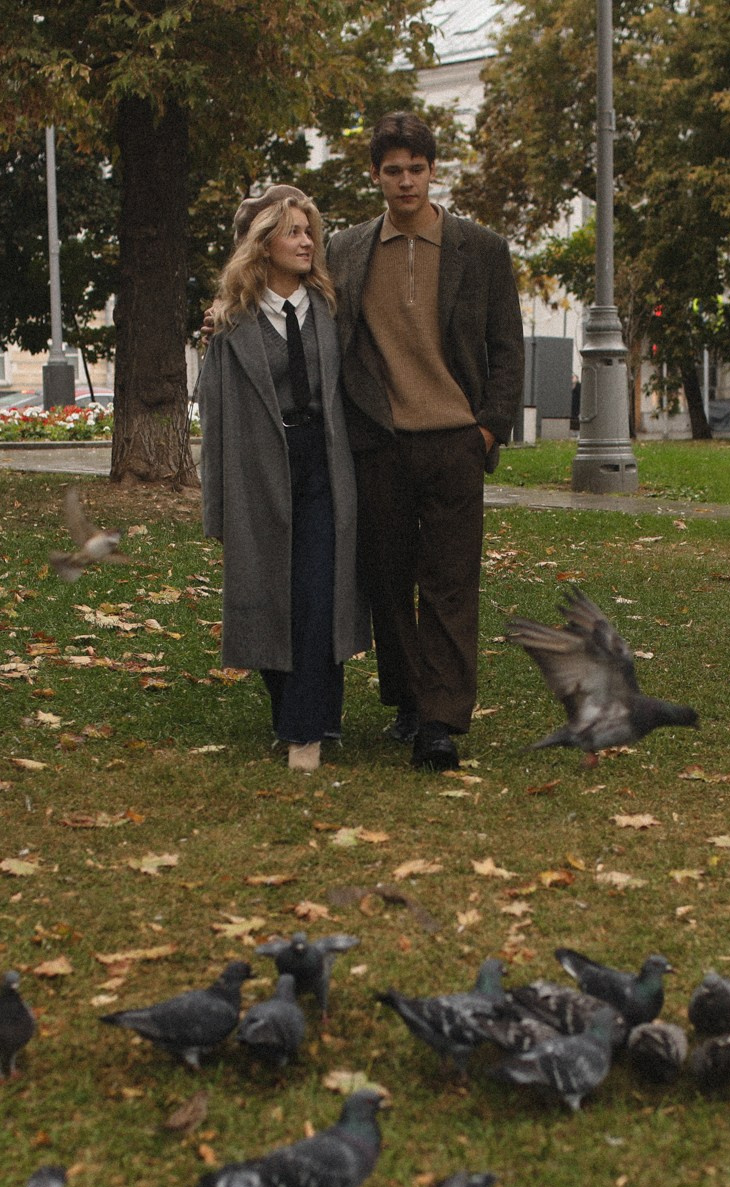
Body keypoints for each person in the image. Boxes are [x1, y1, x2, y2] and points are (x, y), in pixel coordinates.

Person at [328, 111, 525, 772]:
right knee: (387, 580)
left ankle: (440, 722)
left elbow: (508, 349)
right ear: (376, 176)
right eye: (393, 171)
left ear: (433, 172)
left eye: (416, 169)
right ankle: (409, 700)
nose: (405, 181)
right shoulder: (346, 250)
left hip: (454, 444)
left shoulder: (482, 250)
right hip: (380, 443)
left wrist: (488, 429)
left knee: (449, 584)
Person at [199, 185, 369, 772]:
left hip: (324, 465)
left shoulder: (329, 307)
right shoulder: (232, 326)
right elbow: (215, 422)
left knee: (320, 592)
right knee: (270, 593)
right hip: (260, 472)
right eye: (292, 231)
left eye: (308, 231)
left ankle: (306, 732)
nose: (306, 241)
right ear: (263, 243)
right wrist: (216, 506)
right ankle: (305, 712)